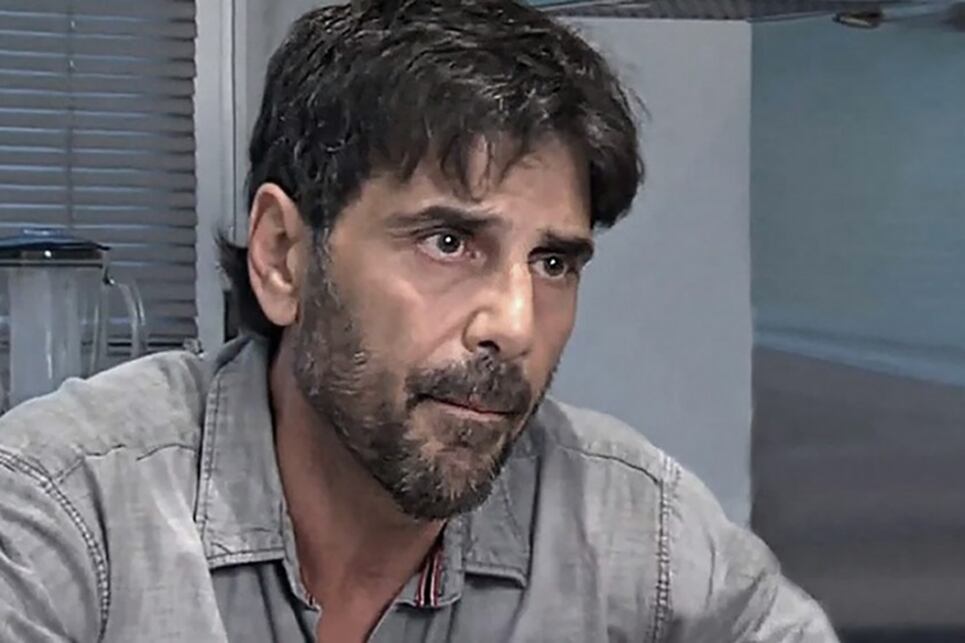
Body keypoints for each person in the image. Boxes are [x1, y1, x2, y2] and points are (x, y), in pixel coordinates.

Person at [0, 1, 838, 641]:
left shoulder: (638, 529)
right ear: (284, 256)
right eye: (448, 242)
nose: (514, 324)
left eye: (552, 262)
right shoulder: (64, 514)